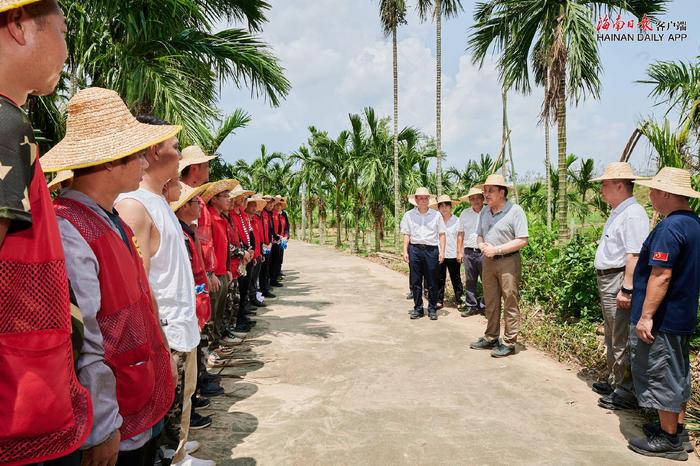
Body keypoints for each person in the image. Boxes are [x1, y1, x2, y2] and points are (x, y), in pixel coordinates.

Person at [42, 87, 176, 465]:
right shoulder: (70, 230)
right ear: (110, 162)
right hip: (114, 413)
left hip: (134, 392)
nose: (145, 164)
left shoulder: (111, 220)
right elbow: (86, 344)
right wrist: (102, 427)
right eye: (136, 154)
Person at [0, 2, 92, 464]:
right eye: (62, 31)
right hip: (18, 413)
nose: (67, 50)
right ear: (18, 26)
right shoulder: (3, 125)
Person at [115, 115, 215, 466]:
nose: (178, 155)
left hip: (180, 321)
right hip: (165, 327)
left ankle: (179, 451)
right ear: (155, 151)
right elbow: (137, 283)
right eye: (174, 148)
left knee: (181, 397)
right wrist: (155, 336)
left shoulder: (158, 202)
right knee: (164, 403)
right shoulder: (134, 206)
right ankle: (172, 457)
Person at [626, 168, 700, 461]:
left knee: (662, 374)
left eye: (655, 191)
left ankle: (669, 440)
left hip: (664, 318)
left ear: (667, 194)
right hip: (682, 314)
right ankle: (677, 430)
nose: (651, 195)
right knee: (678, 373)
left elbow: (661, 275)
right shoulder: (694, 223)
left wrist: (646, 317)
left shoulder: (670, 228)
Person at [589, 162, 649, 411]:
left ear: (620, 186)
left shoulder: (633, 214)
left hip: (618, 280)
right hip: (608, 278)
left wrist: (626, 289)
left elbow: (633, 256)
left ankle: (625, 390)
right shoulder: (618, 212)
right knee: (612, 332)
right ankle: (616, 380)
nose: (601, 190)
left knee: (620, 335)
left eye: (604, 185)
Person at [469, 174, 528, 358]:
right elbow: (479, 234)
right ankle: (491, 336)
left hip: (508, 261)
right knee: (491, 300)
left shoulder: (515, 211)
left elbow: (522, 240)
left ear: (502, 192)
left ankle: (510, 342)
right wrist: (481, 245)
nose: (486, 194)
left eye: (490, 190)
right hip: (488, 261)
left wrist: (498, 249)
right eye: (485, 190)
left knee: (510, 300)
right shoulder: (485, 212)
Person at [201, 179, 242, 368]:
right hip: (214, 274)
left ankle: (216, 344)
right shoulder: (209, 217)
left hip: (222, 271)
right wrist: (211, 272)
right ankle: (211, 349)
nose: (229, 200)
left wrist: (226, 268)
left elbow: (224, 247)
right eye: (225, 196)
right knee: (210, 316)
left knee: (219, 312)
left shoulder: (221, 219)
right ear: (214, 200)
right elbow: (207, 247)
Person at [400, 187, 446, 321]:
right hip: (414, 250)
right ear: (415, 200)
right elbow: (406, 234)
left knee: (432, 280)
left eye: (426, 198)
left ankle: (432, 309)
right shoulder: (409, 215)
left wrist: (442, 251)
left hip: (431, 250)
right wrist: (405, 251)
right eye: (420, 198)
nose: (423, 200)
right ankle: (418, 309)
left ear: (429, 199)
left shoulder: (436, 215)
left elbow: (442, 234)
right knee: (416, 281)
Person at [228, 185, 256, 336]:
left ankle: (242, 316)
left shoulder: (242, 215)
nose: (243, 200)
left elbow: (248, 236)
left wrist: (251, 251)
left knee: (243, 291)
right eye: (241, 198)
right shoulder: (232, 215)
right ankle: (238, 321)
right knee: (240, 289)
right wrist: (243, 252)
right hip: (240, 257)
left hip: (247, 255)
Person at [456, 186, 486, 317]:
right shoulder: (464, 213)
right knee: (470, 280)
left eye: (478, 198)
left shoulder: (489, 211)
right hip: (468, 251)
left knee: (488, 280)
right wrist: (459, 252)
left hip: (485, 251)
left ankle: (485, 306)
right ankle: (471, 305)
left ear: (482, 198)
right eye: (472, 198)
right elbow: (460, 234)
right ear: (469, 200)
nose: (475, 200)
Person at [431, 194, 463, 309]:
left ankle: (460, 300)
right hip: (439, 254)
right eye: (441, 206)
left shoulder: (457, 220)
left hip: (453, 254)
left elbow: (460, 237)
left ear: (451, 207)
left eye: (446, 206)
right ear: (438, 208)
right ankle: (439, 301)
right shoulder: (436, 220)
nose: (444, 208)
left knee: (456, 278)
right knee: (439, 278)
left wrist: (460, 252)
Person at [247, 194, 269, 308]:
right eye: (251, 205)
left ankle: (253, 297)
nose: (254, 208)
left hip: (257, 254)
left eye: (255, 206)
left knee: (254, 279)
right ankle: (250, 300)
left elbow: (258, 238)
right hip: (250, 256)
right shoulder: (246, 221)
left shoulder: (255, 220)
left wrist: (260, 253)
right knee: (249, 280)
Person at [258, 195, 277, 299]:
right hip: (261, 246)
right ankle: (263, 290)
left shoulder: (267, 215)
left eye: (271, 203)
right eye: (268, 203)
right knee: (262, 270)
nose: (270, 205)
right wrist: (262, 244)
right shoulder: (258, 215)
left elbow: (269, 230)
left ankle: (265, 288)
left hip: (267, 245)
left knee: (266, 269)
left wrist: (270, 242)